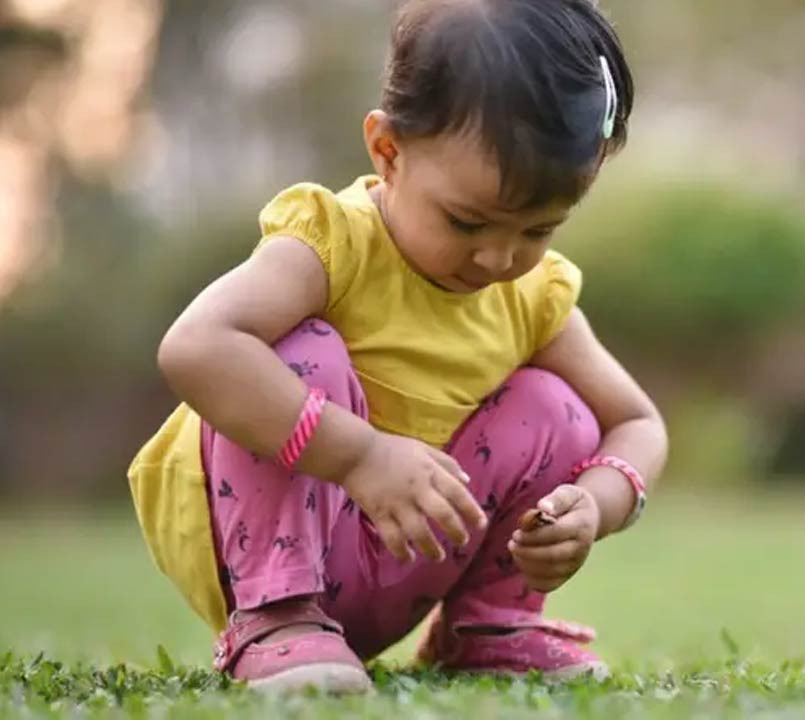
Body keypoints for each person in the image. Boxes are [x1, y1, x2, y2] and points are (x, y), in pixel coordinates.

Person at [127, 0, 666, 694]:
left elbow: (638, 422)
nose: (499, 258)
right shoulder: (335, 244)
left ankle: (490, 626)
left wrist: (595, 505)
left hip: (407, 548)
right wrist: (360, 456)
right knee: (301, 348)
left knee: (556, 405)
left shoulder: (533, 297)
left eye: (539, 230)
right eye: (467, 221)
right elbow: (196, 347)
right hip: (259, 539)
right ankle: (277, 618)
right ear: (388, 150)